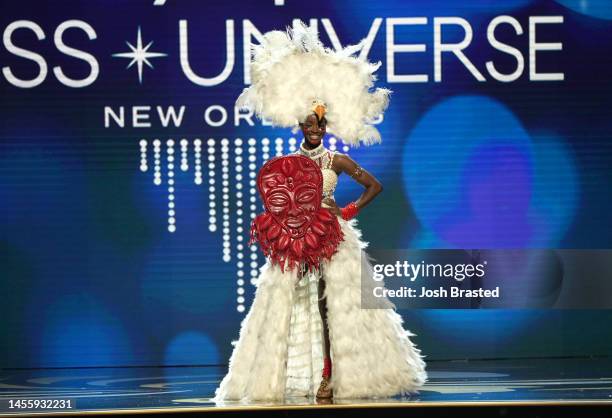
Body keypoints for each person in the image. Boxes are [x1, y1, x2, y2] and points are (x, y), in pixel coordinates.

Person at [213, 20, 427, 402]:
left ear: (326, 125)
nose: (314, 129)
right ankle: (287, 378)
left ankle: (332, 376)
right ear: (300, 125)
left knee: (333, 306)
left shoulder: (337, 160)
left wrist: (345, 210)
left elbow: (373, 186)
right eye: (308, 124)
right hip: (297, 240)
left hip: (333, 239)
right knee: (288, 304)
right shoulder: (289, 162)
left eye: (319, 124)